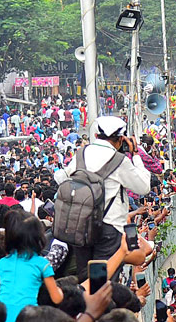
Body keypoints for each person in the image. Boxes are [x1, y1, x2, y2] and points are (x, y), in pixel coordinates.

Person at [54, 115, 152, 271]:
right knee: (105, 276)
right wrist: (135, 155)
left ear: (96, 136)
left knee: (85, 274)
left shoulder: (81, 154)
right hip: (109, 227)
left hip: (80, 224)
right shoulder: (119, 160)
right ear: (121, 140)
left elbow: (60, 177)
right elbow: (144, 187)